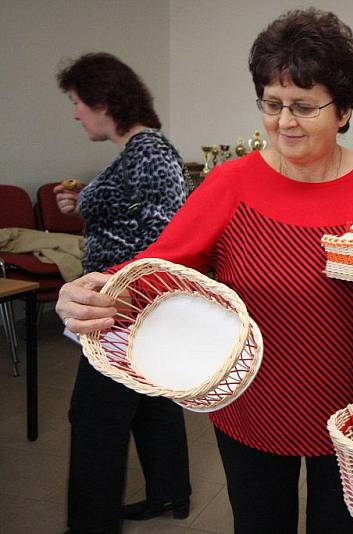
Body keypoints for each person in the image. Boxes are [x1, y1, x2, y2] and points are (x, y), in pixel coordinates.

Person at [56, 10, 353, 534]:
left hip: (350, 413)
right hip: (251, 405)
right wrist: (91, 293)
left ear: (345, 109)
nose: (285, 122)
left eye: (305, 106)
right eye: (272, 103)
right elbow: (157, 270)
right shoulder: (230, 185)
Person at [55, 52, 191, 534]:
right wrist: (82, 207)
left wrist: (116, 297)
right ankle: (170, 493)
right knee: (152, 405)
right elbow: (131, 221)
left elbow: (165, 240)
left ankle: (90, 525)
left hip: (122, 315)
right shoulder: (138, 154)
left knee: (94, 419)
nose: (74, 112)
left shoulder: (149, 153)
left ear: (103, 101)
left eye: (76, 101)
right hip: (132, 312)